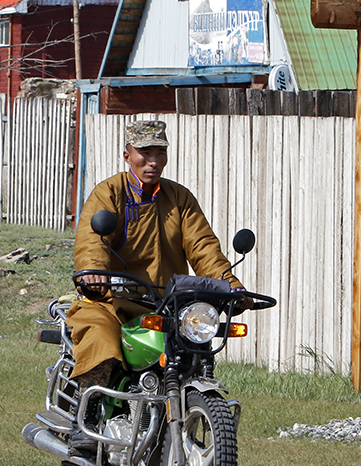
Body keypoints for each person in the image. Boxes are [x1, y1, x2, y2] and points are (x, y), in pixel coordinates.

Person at [67, 119, 247, 395]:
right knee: (100, 340)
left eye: (159, 153)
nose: (153, 161)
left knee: (194, 350)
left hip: (166, 306)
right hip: (112, 303)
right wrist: (94, 271)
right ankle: (88, 413)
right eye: (145, 153)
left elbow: (203, 247)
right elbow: (92, 240)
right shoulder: (109, 193)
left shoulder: (180, 198)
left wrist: (229, 284)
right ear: (128, 155)